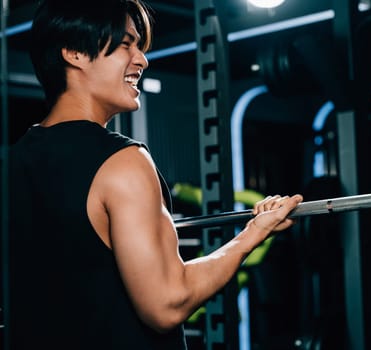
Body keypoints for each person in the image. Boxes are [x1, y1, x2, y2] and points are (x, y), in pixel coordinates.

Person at [7, 0, 303, 349]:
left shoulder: (16, 160)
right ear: (74, 52)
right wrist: (252, 235)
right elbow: (168, 302)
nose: (142, 59)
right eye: (124, 44)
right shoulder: (122, 162)